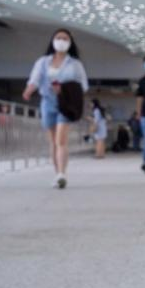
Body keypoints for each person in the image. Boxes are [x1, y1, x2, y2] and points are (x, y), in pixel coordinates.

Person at [22, 28, 89, 189]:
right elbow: (35, 79)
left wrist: (65, 89)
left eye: (65, 39)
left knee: (61, 140)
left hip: (65, 103)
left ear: (70, 43)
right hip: (47, 102)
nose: (61, 41)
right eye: (58, 38)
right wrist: (29, 90)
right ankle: (57, 173)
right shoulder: (43, 62)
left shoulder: (75, 64)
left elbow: (83, 86)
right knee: (53, 142)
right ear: (52, 41)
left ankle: (62, 174)